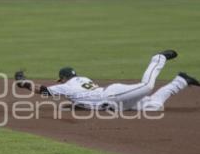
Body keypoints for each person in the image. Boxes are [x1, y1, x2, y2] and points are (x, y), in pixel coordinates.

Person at [15, 50, 200, 111]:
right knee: (153, 106)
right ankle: (181, 81)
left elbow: (44, 90)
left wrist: (24, 83)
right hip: (116, 103)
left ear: (62, 79)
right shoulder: (80, 81)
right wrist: (73, 105)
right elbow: (83, 100)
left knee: (147, 86)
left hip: (112, 94)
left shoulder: (67, 87)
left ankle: (158, 58)